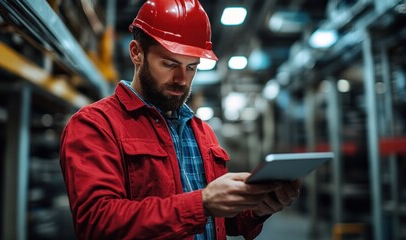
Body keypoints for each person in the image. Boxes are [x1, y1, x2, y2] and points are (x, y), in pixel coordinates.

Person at [59, 0, 301, 239]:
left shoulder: (203, 132)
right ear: (137, 53)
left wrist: (258, 208)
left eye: (191, 67)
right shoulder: (95, 125)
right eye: (169, 63)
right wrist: (201, 203)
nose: (182, 79)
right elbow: (97, 224)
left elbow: (221, 223)